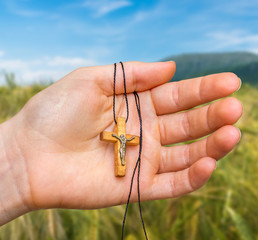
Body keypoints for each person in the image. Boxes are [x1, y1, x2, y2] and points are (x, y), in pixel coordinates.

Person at [0, 61, 242, 225]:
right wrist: (19, 155)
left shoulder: (127, 137)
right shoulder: (115, 135)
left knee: (124, 151)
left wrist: (15, 165)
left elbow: (127, 138)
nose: (120, 135)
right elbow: (115, 136)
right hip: (120, 143)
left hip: (124, 145)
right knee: (122, 150)